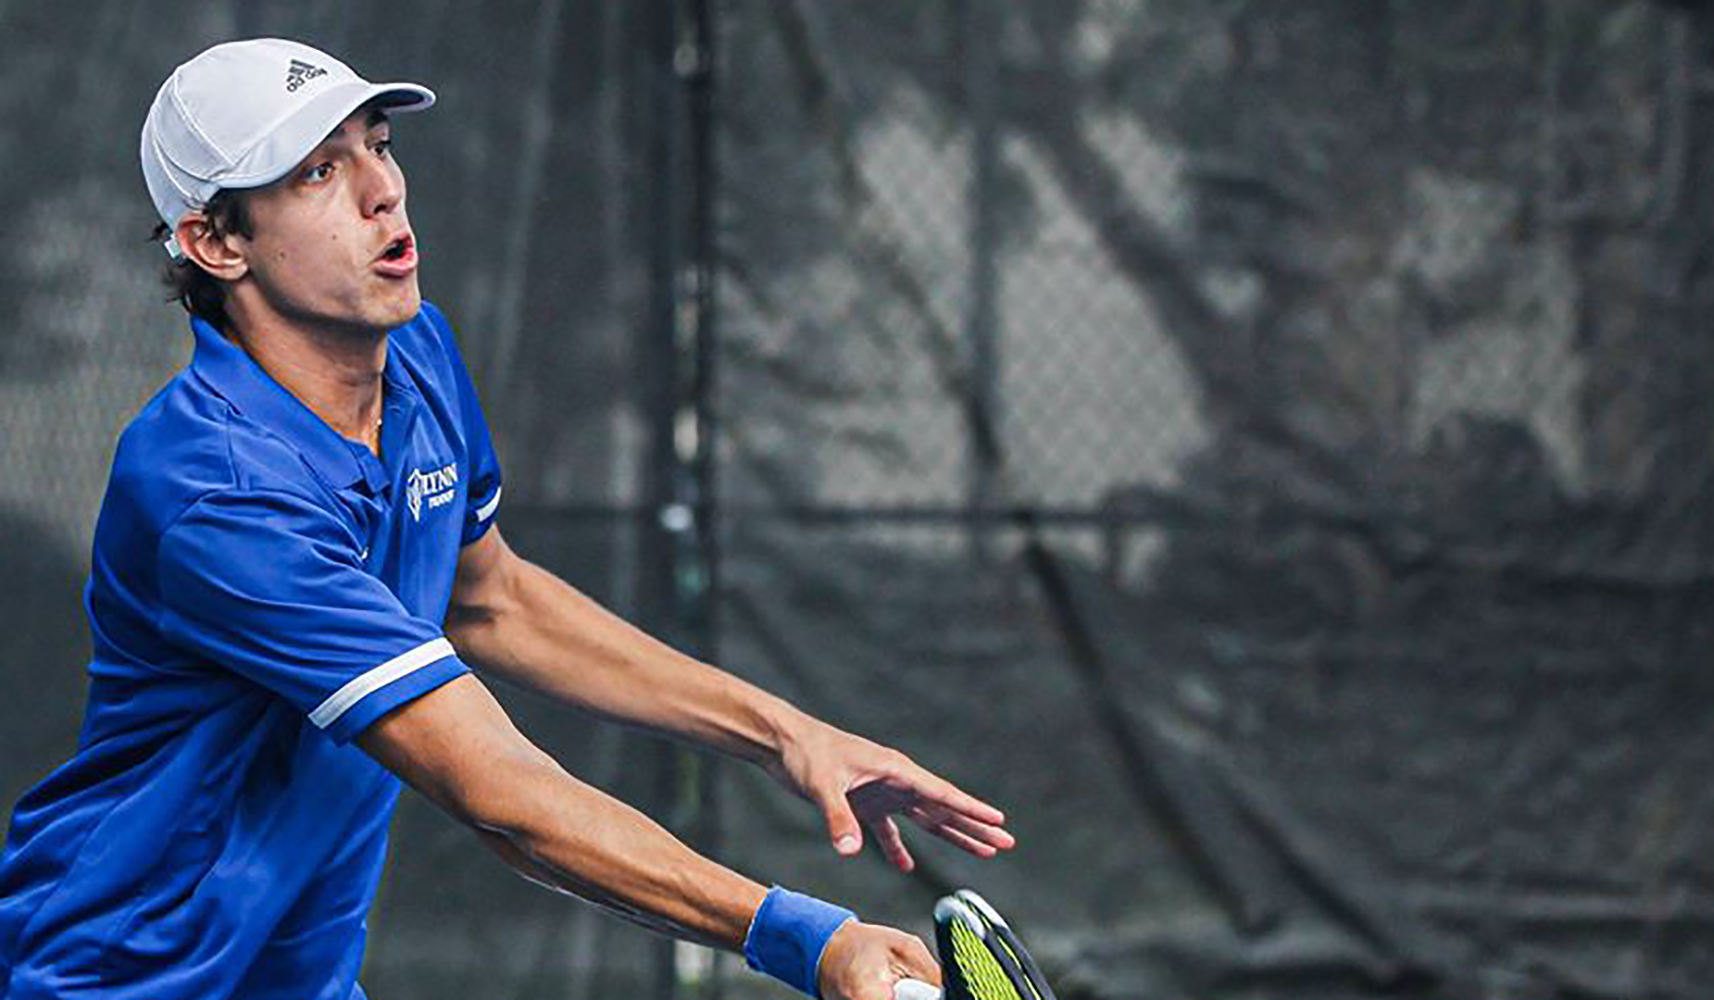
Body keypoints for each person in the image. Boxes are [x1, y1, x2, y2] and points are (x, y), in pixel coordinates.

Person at [0, 37, 1013, 1000]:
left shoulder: (416, 356)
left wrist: (789, 735)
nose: (382, 189)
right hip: (121, 973)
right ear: (215, 242)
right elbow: (504, 796)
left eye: (377, 146)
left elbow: (493, 604)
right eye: (315, 172)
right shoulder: (213, 489)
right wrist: (809, 936)